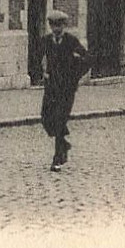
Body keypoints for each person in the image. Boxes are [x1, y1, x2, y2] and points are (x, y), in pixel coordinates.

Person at [40, 9, 92, 172]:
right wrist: (43, 73)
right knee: (46, 118)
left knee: (59, 119)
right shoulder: (46, 41)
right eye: (53, 25)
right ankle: (64, 143)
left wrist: (75, 76)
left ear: (64, 26)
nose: (56, 29)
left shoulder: (71, 41)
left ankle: (58, 157)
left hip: (66, 89)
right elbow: (38, 57)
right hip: (51, 88)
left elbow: (87, 59)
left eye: (59, 25)